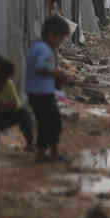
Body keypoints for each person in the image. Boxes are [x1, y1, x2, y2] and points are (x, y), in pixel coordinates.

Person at [26, 15, 78, 163]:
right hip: (40, 94)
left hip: (41, 92)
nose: (60, 43)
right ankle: (45, 154)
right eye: (60, 39)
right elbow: (41, 68)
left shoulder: (40, 47)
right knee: (49, 123)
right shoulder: (43, 49)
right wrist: (59, 74)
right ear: (51, 35)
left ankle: (50, 152)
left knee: (50, 123)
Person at [0, 56, 35, 152]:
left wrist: (12, 105)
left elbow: (16, 102)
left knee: (24, 113)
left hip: (6, 116)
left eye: (3, 81)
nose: (1, 85)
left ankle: (30, 142)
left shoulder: (9, 84)